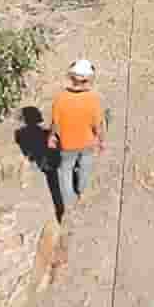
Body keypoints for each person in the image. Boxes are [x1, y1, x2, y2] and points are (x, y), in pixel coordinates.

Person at [48, 58, 106, 210]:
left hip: (67, 144)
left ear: (71, 78)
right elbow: (97, 125)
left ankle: (69, 200)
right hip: (88, 143)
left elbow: (55, 123)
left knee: (65, 170)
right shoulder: (93, 99)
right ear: (88, 79)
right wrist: (101, 140)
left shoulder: (60, 99)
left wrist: (51, 136)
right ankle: (82, 189)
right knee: (85, 166)